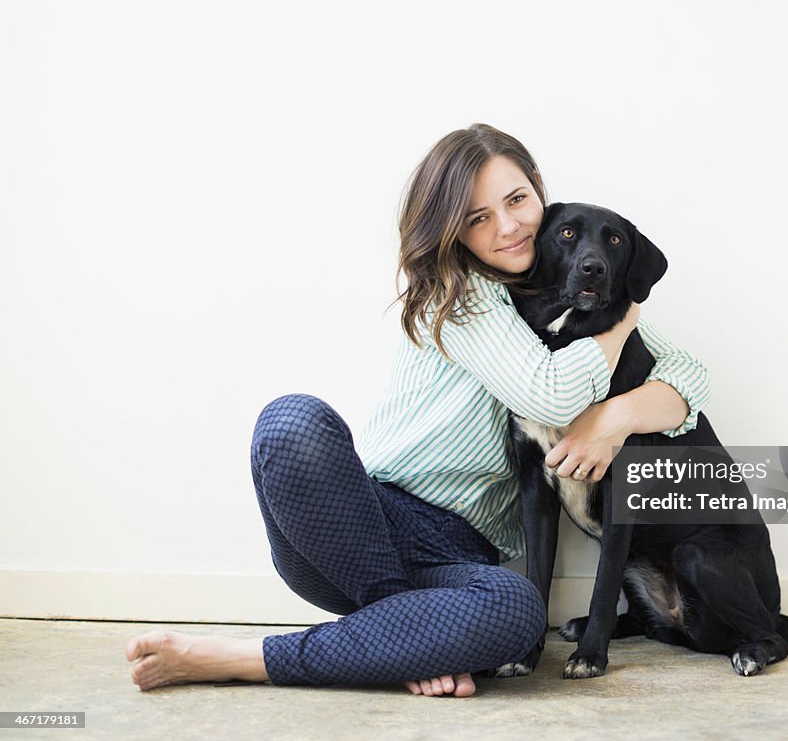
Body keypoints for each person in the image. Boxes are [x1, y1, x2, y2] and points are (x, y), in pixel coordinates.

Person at [125, 124, 710, 697]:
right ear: (453, 229)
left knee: (516, 611)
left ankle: (301, 652)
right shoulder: (461, 290)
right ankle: (396, 633)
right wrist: (627, 321)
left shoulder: (575, 286)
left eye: (516, 200)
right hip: (360, 523)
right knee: (292, 420)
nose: (506, 226)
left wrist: (619, 415)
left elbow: (688, 373)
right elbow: (549, 394)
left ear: (538, 188)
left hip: (456, 556)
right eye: (478, 217)